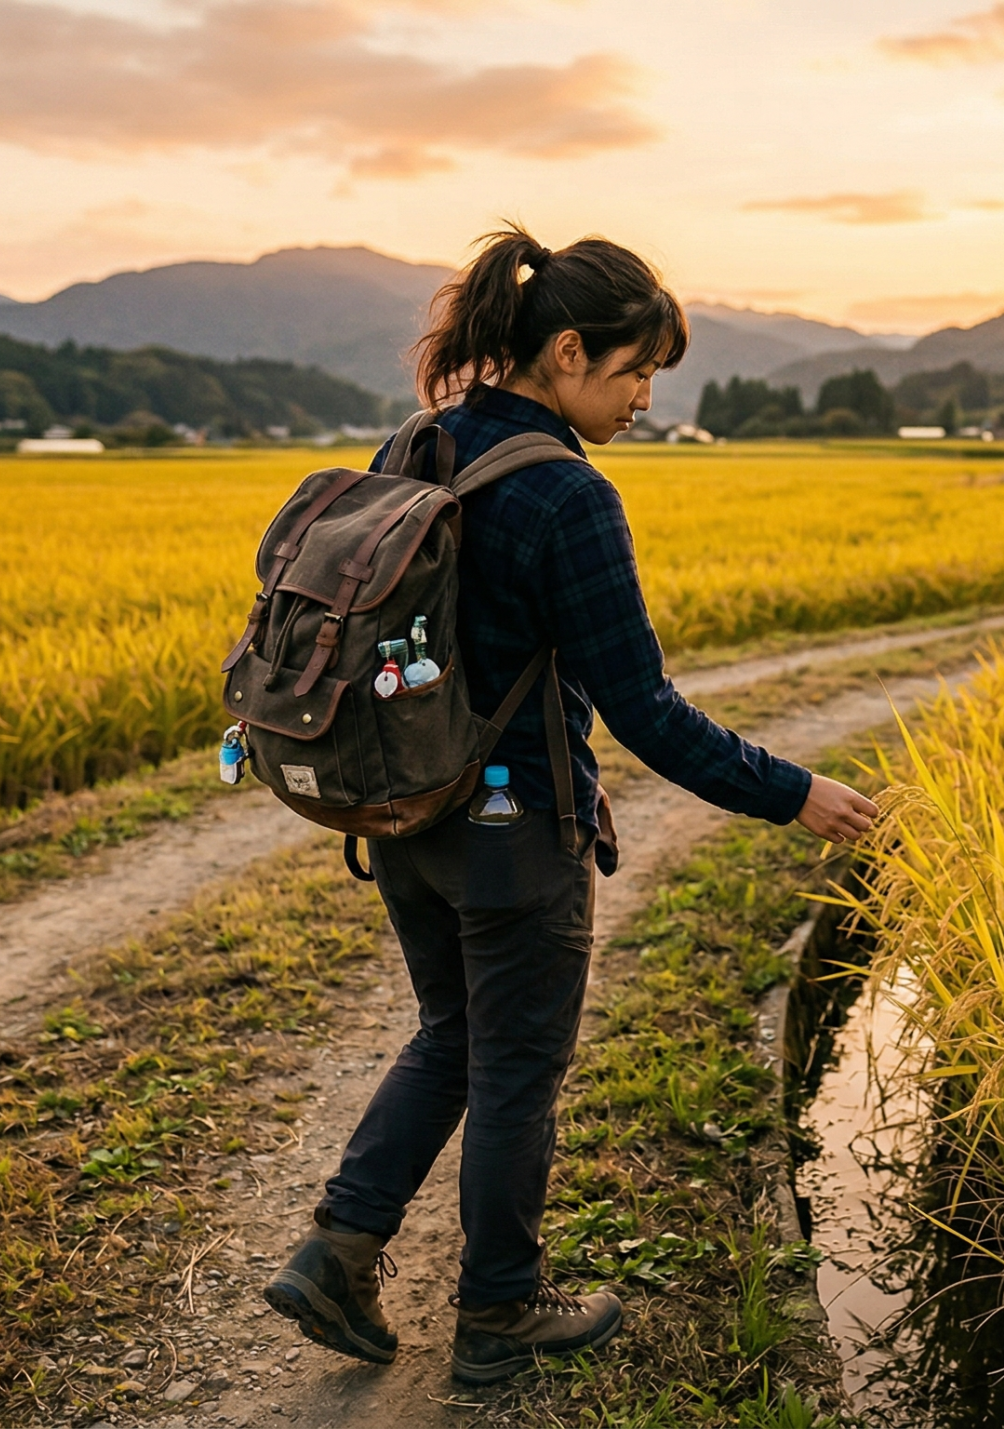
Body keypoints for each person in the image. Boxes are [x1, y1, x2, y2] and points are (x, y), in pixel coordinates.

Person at [263, 225, 880, 1387]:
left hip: (402, 813)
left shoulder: (417, 438)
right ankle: (498, 1312)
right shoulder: (568, 499)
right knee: (513, 1069)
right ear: (564, 351)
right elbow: (644, 710)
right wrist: (796, 795)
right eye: (635, 369)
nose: (647, 396)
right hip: (517, 839)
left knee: (454, 1034)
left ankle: (338, 1250)